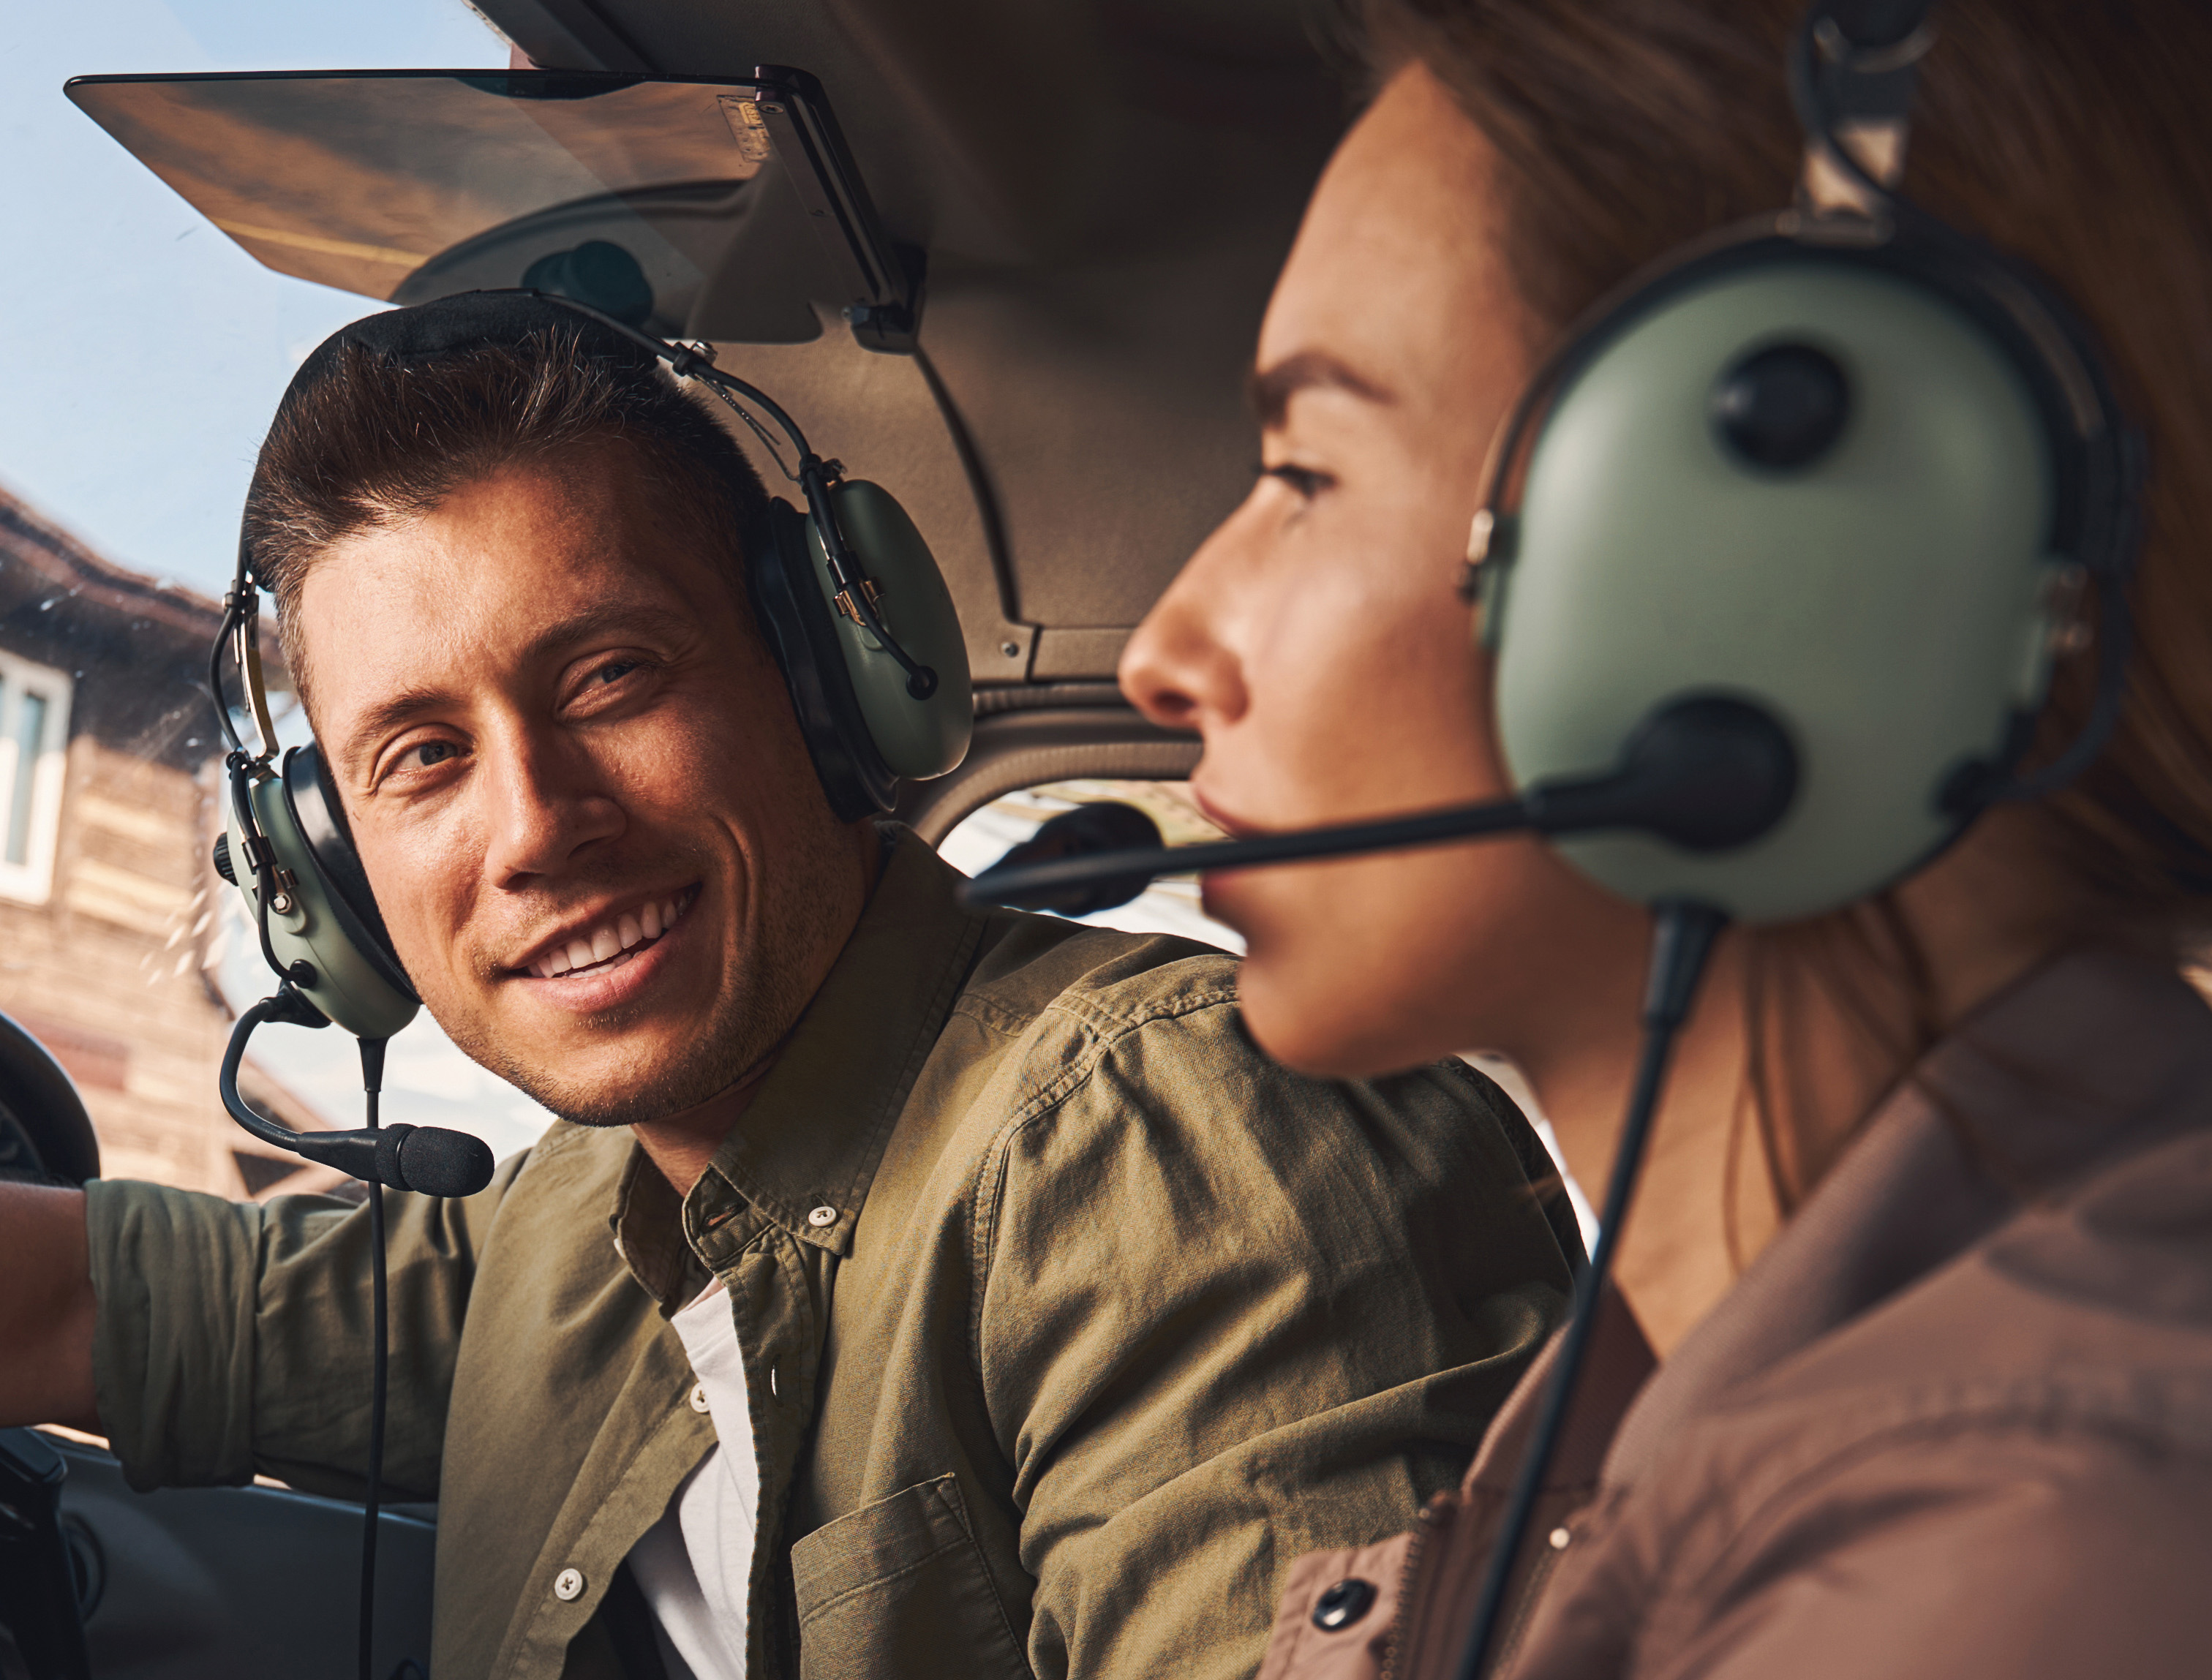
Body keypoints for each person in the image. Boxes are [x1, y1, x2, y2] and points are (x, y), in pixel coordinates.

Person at [0, 294, 1584, 1679]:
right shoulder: (573, 1233)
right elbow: (71, 1301)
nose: (538, 825)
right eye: (423, 759)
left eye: (613, 676)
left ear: (823, 678)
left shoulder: (1167, 1148)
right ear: (329, 872)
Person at [1118, 0, 2212, 1675]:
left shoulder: (2021, 1563)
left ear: (1765, 568)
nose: (1166, 649)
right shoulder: (1645, 1409)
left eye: (1306, 471)